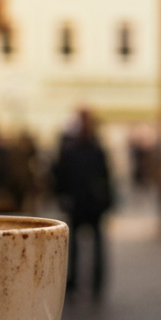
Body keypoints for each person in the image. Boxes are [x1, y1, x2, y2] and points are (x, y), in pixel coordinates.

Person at [53, 109, 113, 298]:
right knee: (75, 247)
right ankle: (74, 281)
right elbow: (61, 177)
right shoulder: (74, 150)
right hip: (79, 204)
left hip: (91, 204)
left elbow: (105, 177)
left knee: (95, 246)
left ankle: (95, 282)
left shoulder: (95, 150)